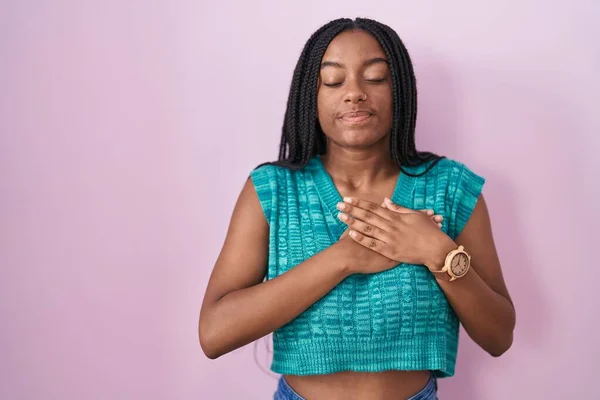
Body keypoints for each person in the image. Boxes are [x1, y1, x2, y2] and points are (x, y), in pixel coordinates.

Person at [198, 17, 515, 400]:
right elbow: (214, 333)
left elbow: (499, 336)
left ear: (400, 90)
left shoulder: (450, 186)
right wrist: (343, 258)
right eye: (333, 81)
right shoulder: (273, 190)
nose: (354, 93)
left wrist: (440, 255)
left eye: (376, 77)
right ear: (310, 97)